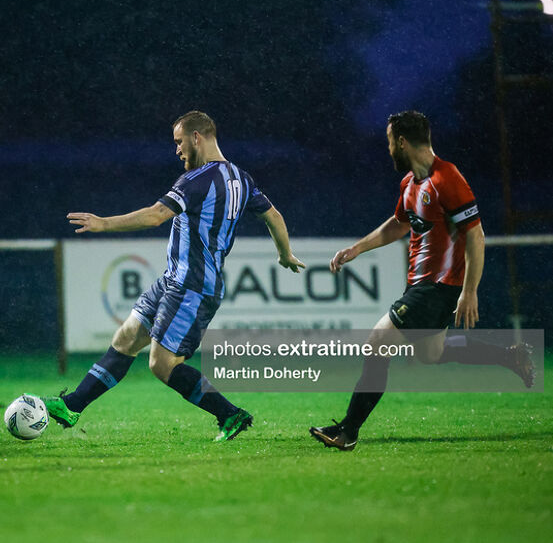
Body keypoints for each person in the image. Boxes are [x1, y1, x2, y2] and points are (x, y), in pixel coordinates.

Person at [42, 111, 306, 441]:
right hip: (173, 280)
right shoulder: (241, 179)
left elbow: (156, 216)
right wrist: (284, 253)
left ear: (198, 137)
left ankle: (231, 414)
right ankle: (73, 405)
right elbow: (274, 215)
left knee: (162, 364)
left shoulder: (197, 181)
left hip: (193, 285)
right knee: (126, 339)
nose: (177, 150)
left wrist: (103, 223)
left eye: (179, 142)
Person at [310, 111, 535, 451]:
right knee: (432, 353)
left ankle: (348, 431)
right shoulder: (410, 184)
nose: (388, 150)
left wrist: (469, 291)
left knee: (376, 343)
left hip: (439, 286)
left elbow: (476, 236)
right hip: (420, 285)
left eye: (389, 142)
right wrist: (358, 248)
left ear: (402, 141)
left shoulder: (448, 178)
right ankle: (509, 357)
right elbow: (399, 224)